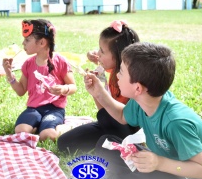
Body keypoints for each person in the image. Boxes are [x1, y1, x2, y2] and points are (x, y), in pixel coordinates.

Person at [84, 42, 202, 179]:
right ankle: (128, 178)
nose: (117, 75)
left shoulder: (176, 122)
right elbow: (122, 116)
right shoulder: (140, 101)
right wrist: (99, 93)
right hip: (160, 161)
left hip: (190, 177)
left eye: (121, 71)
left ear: (138, 88)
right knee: (106, 142)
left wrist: (159, 163)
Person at [57, 20, 140, 153]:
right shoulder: (113, 72)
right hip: (110, 124)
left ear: (119, 56)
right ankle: (108, 142)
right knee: (64, 144)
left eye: (102, 51)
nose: (98, 54)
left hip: (129, 130)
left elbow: (121, 117)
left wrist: (100, 92)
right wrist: (95, 92)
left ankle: (115, 144)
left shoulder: (131, 80)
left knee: (106, 117)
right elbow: (103, 110)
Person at [2, 19, 77, 141]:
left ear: (42, 42)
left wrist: (64, 89)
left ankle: (64, 128)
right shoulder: (28, 64)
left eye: (27, 40)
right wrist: (9, 74)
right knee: (20, 131)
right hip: (33, 109)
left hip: (54, 109)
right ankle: (39, 125)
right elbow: (21, 91)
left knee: (47, 136)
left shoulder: (60, 61)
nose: (23, 43)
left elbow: (73, 87)